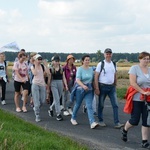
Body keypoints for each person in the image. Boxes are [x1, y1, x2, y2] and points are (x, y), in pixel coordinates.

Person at [121, 51, 150, 149]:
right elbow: (133, 83)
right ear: (140, 59)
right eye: (144, 58)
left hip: (148, 99)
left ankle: (144, 141)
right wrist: (142, 92)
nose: (146, 60)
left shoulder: (149, 69)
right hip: (137, 98)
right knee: (134, 120)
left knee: (147, 121)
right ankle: (125, 129)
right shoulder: (134, 68)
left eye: (148, 59)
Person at [94, 48, 124, 128]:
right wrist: (97, 88)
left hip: (112, 87)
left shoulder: (114, 64)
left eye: (110, 54)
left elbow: (114, 74)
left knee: (115, 105)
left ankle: (117, 123)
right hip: (102, 86)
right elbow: (96, 76)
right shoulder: (101, 64)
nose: (108, 55)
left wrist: (115, 83)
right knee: (101, 104)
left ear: (111, 54)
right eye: (107, 54)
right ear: (104, 54)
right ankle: (100, 120)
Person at [70, 54, 99, 129]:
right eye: (86, 60)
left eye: (88, 60)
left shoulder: (91, 69)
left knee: (89, 106)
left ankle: (92, 122)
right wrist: (83, 86)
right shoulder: (80, 69)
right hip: (80, 89)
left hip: (89, 89)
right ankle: (73, 118)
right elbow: (77, 80)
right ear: (82, 61)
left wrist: (95, 87)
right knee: (78, 104)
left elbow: (92, 80)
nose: (87, 61)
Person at [48, 55, 68, 121]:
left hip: (60, 83)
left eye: (58, 61)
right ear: (53, 61)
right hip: (53, 83)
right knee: (56, 99)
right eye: (55, 61)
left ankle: (51, 108)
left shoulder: (61, 68)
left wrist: (66, 85)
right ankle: (58, 114)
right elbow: (50, 78)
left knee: (58, 98)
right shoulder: (51, 69)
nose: (56, 62)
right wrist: (48, 86)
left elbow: (64, 77)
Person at [31, 54, 50, 122]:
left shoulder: (42, 66)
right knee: (36, 101)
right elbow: (35, 73)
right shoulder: (32, 66)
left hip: (42, 84)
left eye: (40, 59)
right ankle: (37, 115)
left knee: (42, 100)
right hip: (35, 84)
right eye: (38, 59)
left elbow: (48, 73)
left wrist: (46, 65)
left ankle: (36, 108)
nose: (39, 61)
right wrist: (35, 64)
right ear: (35, 60)